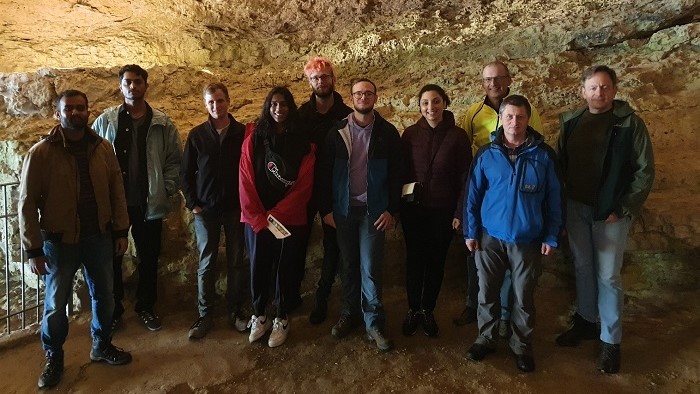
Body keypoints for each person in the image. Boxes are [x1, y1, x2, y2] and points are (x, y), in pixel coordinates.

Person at [19, 90, 133, 389]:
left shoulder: (102, 148)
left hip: (98, 237)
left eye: (80, 108)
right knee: (56, 305)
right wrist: (33, 249)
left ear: (88, 111)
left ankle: (101, 344)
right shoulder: (41, 153)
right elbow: (27, 203)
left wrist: (121, 231)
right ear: (58, 113)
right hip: (59, 243)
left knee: (105, 297)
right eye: (69, 109)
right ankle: (54, 357)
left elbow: (116, 191)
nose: (75, 113)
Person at [555, 65, 655, 374]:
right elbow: (560, 165)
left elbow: (644, 171)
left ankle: (610, 341)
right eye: (593, 87)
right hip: (576, 208)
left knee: (609, 275)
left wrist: (624, 208)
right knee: (583, 267)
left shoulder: (629, 124)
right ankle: (586, 321)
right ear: (583, 91)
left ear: (614, 89)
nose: (599, 92)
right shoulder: (571, 122)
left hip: (610, 213)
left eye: (605, 87)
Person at [463, 95, 562, 373]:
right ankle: (485, 338)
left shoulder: (543, 156)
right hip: (489, 237)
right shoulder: (486, 154)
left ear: (528, 120)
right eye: (509, 116)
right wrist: (471, 232)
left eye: (520, 117)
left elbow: (555, 199)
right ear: (501, 119)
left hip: (527, 238)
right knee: (487, 292)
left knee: (523, 296)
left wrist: (551, 235)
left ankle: (521, 346)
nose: (514, 123)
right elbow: (472, 196)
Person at [454, 61, 544, 338]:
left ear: (509, 80)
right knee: (479, 258)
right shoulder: (473, 112)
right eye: (487, 79)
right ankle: (475, 306)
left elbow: (537, 147)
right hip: (487, 191)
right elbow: (465, 152)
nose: (492, 84)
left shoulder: (528, 111)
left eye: (498, 78)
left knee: (514, 267)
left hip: (519, 197)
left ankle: (507, 315)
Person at [93, 64, 182, 332]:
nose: (133, 87)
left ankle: (146, 307)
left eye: (138, 82)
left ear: (146, 85)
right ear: (120, 86)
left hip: (148, 203)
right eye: (128, 82)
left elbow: (175, 161)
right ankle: (114, 310)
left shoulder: (162, 123)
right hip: (113, 205)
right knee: (111, 259)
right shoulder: (106, 121)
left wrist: (165, 188)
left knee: (149, 257)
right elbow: (92, 159)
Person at [319, 78, 402, 351]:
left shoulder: (388, 133)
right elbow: (324, 174)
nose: (363, 97)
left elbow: (397, 175)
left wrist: (391, 209)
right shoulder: (337, 132)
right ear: (351, 98)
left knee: (370, 268)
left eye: (368, 93)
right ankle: (349, 314)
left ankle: (374, 322)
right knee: (348, 265)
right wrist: (326, 209)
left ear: (375, 97)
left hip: (373, 212)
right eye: (358, 93)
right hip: (343, 211)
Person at [239, 87, 315, 348]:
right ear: (267, 107)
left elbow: (304, 183)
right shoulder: (254, 138)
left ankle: (281, 317)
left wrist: (276, 215)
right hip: (258, 217)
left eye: (283, 105)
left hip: (287, 218)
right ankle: (259, 314)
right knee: (258, 266)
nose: (278, 109)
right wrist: (258, 216)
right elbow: (245, 177)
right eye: (273, 105)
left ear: (291, 108)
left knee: (286, 269)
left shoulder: (302, 141)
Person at [400, 84, 470, 338]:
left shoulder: (458, 136)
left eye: (436, 101)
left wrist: (459, 212)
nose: (431, 107)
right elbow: (402, 172)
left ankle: (428, 309)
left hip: (443, 211)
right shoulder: (409, 135)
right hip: (414, 211)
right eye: (426, 103)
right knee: (415, 259)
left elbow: (465, 178)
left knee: (436, 261)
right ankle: (412, 309)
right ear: (419, 106)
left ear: (445, 103)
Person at [180, 83, 248, 339]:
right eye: (210, 102)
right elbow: (185, 172)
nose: (216, 106)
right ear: (205, 104)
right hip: (206, 210)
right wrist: (192, 202)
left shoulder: (242, 133)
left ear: (228, 101)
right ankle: (205, 315)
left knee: (236, 260)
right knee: (206, 262)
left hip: (234, 208)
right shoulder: (197, 135)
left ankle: (236, 310)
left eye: (219, 101)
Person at [298, 56, 353, 325]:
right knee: (298, 243)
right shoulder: (301, 116)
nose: (321, 82)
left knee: (336, 247)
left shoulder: (346, 115)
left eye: (325, 77)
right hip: (306, 191)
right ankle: (292, 297)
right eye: (315, 78)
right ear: (309, 82)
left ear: (333, 79)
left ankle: (326, 301)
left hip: (336, 190)